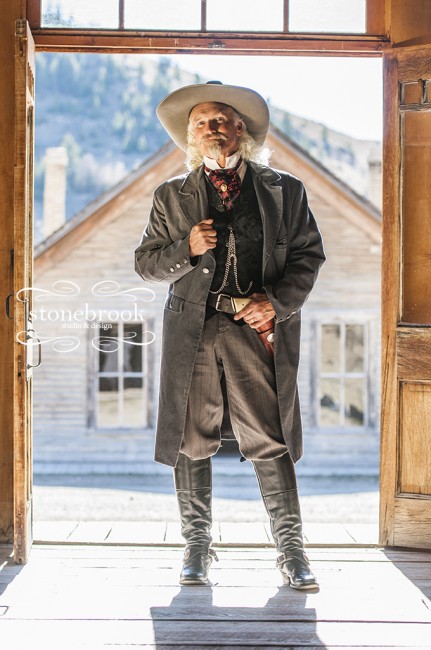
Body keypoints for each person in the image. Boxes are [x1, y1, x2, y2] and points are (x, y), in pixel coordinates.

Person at [135, 81, 325, 590]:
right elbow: (147, 264)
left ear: (240, 128)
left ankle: (293, 553)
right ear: (190, 138)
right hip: (192, 330)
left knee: (270, 439)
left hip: (255, 328)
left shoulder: (284, 190)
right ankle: (196, 548)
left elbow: (308, 257)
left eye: (220, 119)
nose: (211, 128)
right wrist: (187, 247)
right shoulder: (170, 196)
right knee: (190, 439)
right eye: (200, 122)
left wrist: (278, 304)